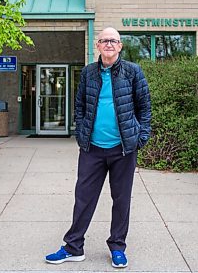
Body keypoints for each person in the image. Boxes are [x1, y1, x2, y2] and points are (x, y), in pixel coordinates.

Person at [45, 27, 151, 268]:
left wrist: (141, 137)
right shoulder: (88, 73)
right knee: (83, 198)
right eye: (104, 40)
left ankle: (117, 247)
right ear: (98, 45)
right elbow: (80, 105)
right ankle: (73, 247)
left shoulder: (133, 72)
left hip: (123, 149)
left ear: (120, 46)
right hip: (92, 148)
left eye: (113, 41)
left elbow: (144, 108)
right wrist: (81, 133)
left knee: (121, 199)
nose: (109, 44)